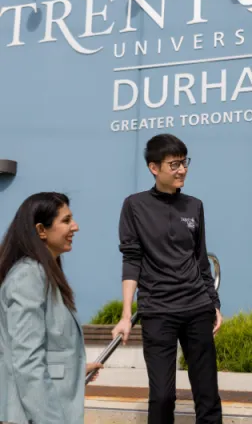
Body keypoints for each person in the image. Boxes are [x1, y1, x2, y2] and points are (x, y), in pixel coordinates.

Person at [112, 133, 222, 424]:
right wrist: (126, 314)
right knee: (162, 396)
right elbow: (131, 259)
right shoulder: (134, 206)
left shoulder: (194, 205)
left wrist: (214, 303)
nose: (182, 169)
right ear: (154, 168)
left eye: (184, 163)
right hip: (158, 311)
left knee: (207, 394)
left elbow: (201, 259)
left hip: (197, 308)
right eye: (174, 164)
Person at [0, 192, 103, 424]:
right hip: (37, 415)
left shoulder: (43, 274)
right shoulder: (28, 276)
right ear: (41, 230)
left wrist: (75, 367)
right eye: (66, 221)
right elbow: (26, 359)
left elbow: (45, 347)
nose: (75, 227)